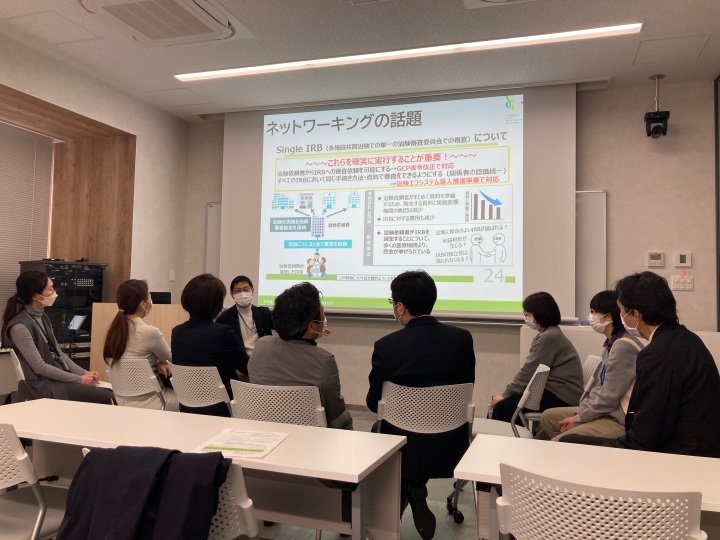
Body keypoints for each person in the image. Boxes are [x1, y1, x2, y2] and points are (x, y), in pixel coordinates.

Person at [366, 270, 475, 540]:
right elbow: (467, 386)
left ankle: (408, 489)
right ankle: (415, 486)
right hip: (450, 442)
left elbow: (373, 403)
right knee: (413, 436)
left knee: (383, 431)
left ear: (401, 307)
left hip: (400, 444)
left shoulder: (387, 346)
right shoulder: (462, 339)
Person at [563, 272, 720, 456]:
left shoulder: (657, 354)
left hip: (678, 453)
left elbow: (646, 436)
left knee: (569, 443)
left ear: (636, 314)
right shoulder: (686, 338)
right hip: (697, 446)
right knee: (572, 441)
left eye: (621, 310)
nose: (620, 316)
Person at [540, 290, 642, 440]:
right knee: (548, 417)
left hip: (619, 419)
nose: (591, 316)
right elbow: (600, 386)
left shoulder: (623, 347)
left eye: (594, 312)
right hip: (608, 410)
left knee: (561, 440)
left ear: (608, 316)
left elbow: (608, 397)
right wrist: (581, 412)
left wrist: (579, 419)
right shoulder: (611, 343)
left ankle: (570, 447)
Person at [248, 282, 352, 429]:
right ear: (312, 326)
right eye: (323, 315)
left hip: (263, 425)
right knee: (345, 416)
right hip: (307, 432)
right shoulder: (324, 360)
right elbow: (335, 411)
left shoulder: (261, 345)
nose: (324, 319)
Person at [1, 271, 112, 404]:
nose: (55, 292)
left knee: (107, 391)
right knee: (107, 396)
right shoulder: (20, 327)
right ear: (36, 296)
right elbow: (39, 367)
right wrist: (79, 379)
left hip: (55, 380)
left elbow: (58, 353)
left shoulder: (43, 317)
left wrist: (84, 373)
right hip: (43, 386)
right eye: (50, 289)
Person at [491, 292, 583, 423]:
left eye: (528, 314)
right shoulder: (551, 333)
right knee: (506, 403)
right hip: (560, 392)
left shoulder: (548, 337)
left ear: (540, 314)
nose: (526, 317)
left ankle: (510, 436)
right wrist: (509, 393)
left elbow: (528, 371)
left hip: (561, 396)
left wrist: (506, 394)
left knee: (502, 407)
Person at [171, 274, 248, 416]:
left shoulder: (177, 332)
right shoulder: (223, 332)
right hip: (224, 407)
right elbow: (246, 367)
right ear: (216, 304)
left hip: (188, 406)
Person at [102, 279, 179, 411]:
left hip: (122, 402)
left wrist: (154, 364)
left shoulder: (113, 333)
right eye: (149, 296)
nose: (151, 300)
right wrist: (158, 364)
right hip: (156, 402)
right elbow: (172, 361)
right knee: (192, 402)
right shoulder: (150, 333)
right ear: (143, 304)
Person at [215, 275, 273, 357]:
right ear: (232, 294)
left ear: (252, 291)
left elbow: (282, 327)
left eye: (246, 289)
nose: (243, 294)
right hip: (238, 360)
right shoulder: (224, 318)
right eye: (238, 291)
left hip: (263, 357)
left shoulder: (264, 313)